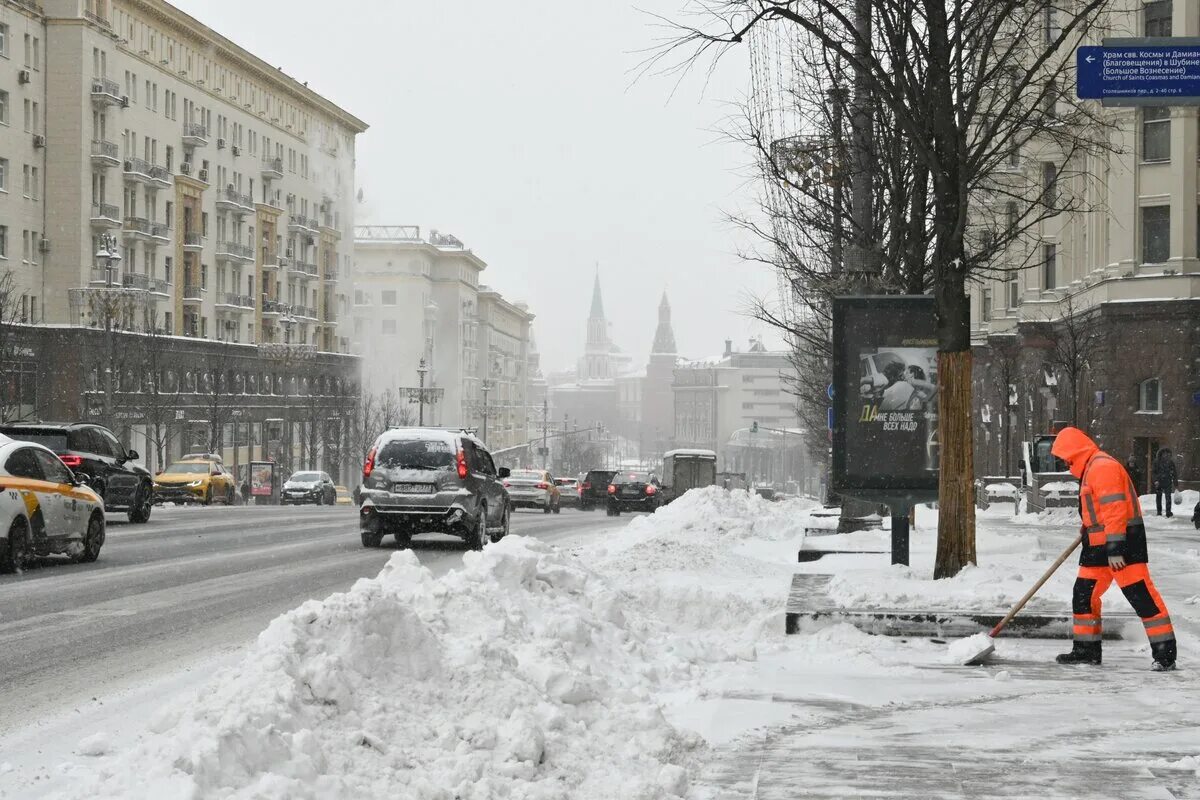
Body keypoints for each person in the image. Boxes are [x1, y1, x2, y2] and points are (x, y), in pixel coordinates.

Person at [1051, 427, 1176, 671]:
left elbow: (1115, 510)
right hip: (1097, 547)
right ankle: (1086, 651)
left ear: (1075, 451)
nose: (1066, 464)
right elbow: (1098, 509)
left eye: (1066, 458)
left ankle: (1165, 655)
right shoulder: (1090, 469)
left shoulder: (1102, 467)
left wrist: (1116, 547)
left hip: (1123, 547)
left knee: (1142, 598)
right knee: (1083, 595)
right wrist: (1087, 527)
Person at [1152, 447, 1178, 518]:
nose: (1166, 455)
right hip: (1159, 482)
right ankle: (1159, 512)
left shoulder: (1170, 462)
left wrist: (1176, 484)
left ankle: (1168, 512)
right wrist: (1155, 480)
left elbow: (1174, 473)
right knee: (1159, 497)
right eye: (1165, 454)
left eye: (1168, 454)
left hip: (1167, 481)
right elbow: (1153, 472)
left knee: (1168, 497)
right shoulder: (1156, 462)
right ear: (1162, 454)